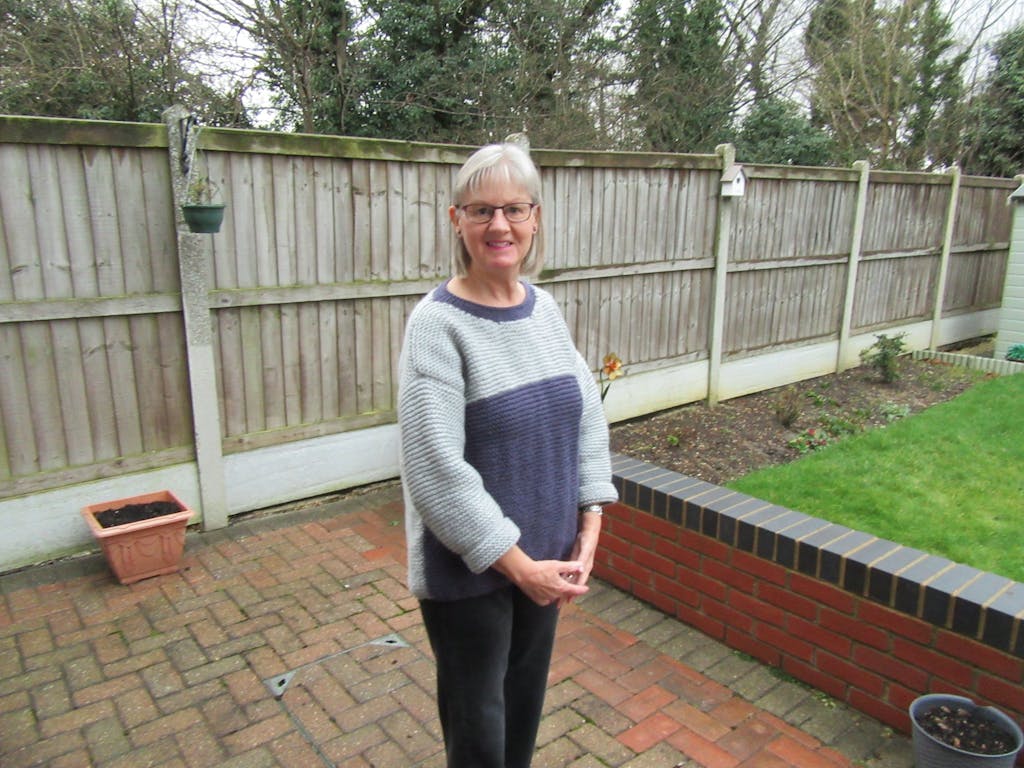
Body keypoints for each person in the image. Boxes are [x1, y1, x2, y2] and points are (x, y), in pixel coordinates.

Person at [397, 142, 618, 768]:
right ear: (457, 220)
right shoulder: (437, 326)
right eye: (482, 211)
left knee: (522, 710)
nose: (500, 226)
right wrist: (519, 567)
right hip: (470, 575)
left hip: (547, 559)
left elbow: (585, 414)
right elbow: (435, 471)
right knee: (480, 733)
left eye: (515, 209)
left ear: (535, 218)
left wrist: (590, 521)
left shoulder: (544, 309)